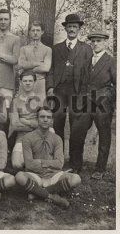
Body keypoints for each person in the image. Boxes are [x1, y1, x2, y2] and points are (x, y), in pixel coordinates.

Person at [46, 14, 93, 173]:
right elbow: (51, 70)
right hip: (59, 90)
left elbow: (88, 72)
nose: (72, 29)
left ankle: (75, 164)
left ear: (79, 29)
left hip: (77, 92)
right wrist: (50, 87)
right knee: (57, 124)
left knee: (77, 128)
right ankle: (58, 161)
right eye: (69, 26)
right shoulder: (56, 48)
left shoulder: (86, 48)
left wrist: (86, 93)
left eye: (75, 27)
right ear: (65, 28)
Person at [71, 31, 116, 180]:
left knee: (104, 135)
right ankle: (76, 165)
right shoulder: (87, 61)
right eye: (93, 41)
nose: (95, 44)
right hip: (85, 102)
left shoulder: (111, 61)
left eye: (98, 41)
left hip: (103, 104)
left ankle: (100, 168)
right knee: (77, 131)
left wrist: (109, 98)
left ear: (105, 43)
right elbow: (81, 83)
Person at [15, 106, 82, 208]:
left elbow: (59, 164)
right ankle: (51, 196)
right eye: (42, 117)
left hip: (53, 175)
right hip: (36, 176)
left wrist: (41, 162)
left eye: (48, 117)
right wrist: (49, 165)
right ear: (37, 119)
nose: (45, 119)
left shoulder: (57, 138)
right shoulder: (27, 138)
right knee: (19, 176)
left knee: (76, 179)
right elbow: (29, 164)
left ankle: (37, 193)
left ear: (52, 120)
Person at [10, 71, 43, 169]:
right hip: (21, 138)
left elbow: (45, 124)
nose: (27, 83)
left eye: (30, 81)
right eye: (25, 81)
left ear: (34, 82)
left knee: (38, 165)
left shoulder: (41, 100)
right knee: (16, 164)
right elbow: (15, 125)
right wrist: (34, 125)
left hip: (38, 137)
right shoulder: (15, 101)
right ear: (20, 82)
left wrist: (25, 121)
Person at [18, 21, 52, 102]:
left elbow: (46, 68)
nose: (35, 33)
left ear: (42, 32)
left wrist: (29, 69)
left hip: (40, 82)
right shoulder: (23, 49)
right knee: (24, 107)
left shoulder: (47, 49)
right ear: (29, 32)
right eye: (33, 30)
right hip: (26, 82)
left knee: (40, 107)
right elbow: (21, 64)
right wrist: (38, 64)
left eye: (38, 30)